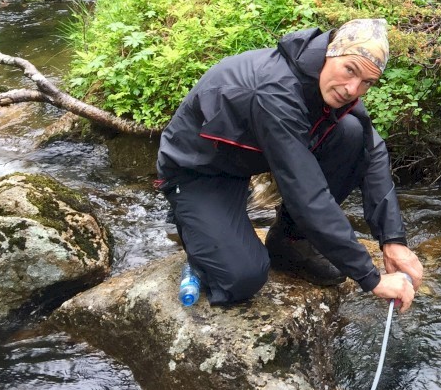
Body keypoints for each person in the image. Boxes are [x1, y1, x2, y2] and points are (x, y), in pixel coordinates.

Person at [155, 18, 423, 310]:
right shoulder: (275, 91)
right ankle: (196, 238)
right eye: (350, 70)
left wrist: (393, 239)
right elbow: (306, 193)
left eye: (366, 83)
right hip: (198, 169)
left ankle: (291, 243)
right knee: (242, 277)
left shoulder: (325, 80)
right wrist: (371, 278)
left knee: (353, 135)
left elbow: (373, 151)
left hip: (245, 160)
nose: (352, 89)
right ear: (331, 52)